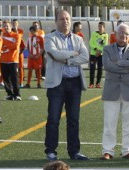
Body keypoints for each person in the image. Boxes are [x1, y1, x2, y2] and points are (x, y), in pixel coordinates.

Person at [43, 10, 90, 161]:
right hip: (57, 84)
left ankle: (74, 152)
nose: (65, 21)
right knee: (54, 119)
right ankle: (51, 151)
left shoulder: (78, 39)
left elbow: (85, 56)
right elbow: (54, 54)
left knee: (74, 120)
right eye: (62, 19)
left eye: (67, 18)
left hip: (75, 83)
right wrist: (72, 54)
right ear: (56, 21)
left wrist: (67, 59)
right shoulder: (50, 37)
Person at [100, 24, 129, 161]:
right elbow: (107, 65)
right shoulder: (107, 49)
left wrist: (118, 63)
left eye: (126, 34)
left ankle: (128, 150)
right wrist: (126, 64)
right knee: (109, 123)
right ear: (116, 34)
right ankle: (107, 151)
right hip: (111, 91)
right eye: (121, 33)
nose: (124, 36)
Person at [1, 20, 22, 100]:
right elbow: (0, 47)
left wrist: (6, 46)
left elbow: (16, 46)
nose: (6, 28)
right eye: (4, 26)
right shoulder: (1, 37)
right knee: (6, 79)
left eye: (7, 26)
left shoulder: (17, 36)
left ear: (11, 27)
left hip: (13, 60)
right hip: (3, 60)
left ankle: (17, 94)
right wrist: (8, 46)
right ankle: (9, 94)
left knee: (14, 78)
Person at [89, 22, 108, 89]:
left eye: (101, 26)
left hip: (101, 54)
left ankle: (98, 83)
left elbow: (105, 45)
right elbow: (91, 43)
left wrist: (100, 51)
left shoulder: (106, 35)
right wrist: (96, 49)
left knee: (100, 69)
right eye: (99, 26)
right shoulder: (94, 34)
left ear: (104, 28)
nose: (100, 28)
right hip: (93, 54)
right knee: (92, 68)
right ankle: (91, 83)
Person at [11, 19, 25, 88]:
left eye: (16, 23)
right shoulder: (10, 31)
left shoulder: (20, 31)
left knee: (20, 68)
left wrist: (16, 30)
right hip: (13, 53)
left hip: (19, 53)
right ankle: (13, 82)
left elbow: (19, 37)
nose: (14, 24)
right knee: (12, 69)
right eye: (13, 23)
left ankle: (21, 82)